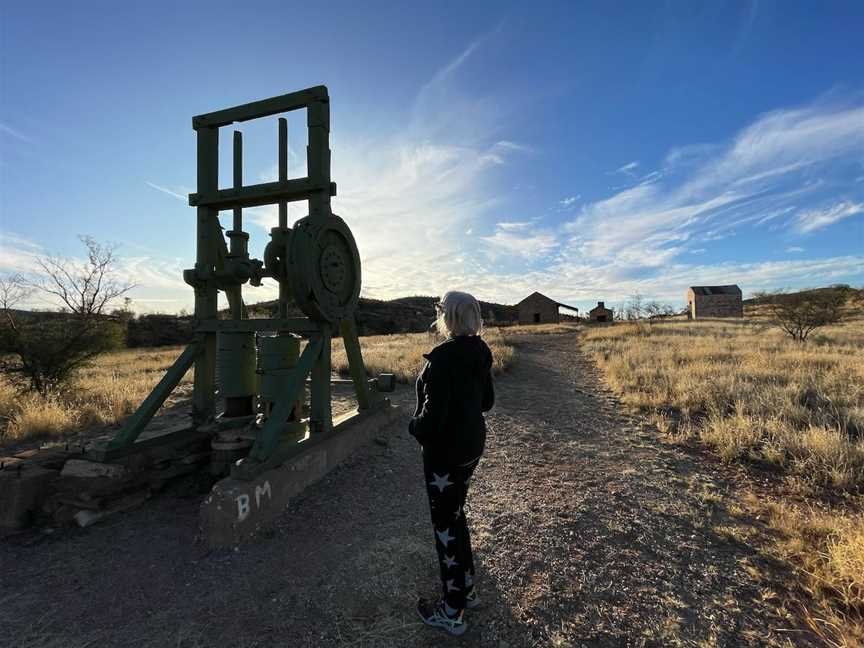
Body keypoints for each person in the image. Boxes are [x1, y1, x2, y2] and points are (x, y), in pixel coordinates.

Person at [409, 290, 495, 636]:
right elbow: (487, 402)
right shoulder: (481, 351)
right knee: (456, 515)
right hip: (471, 447)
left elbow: (431, 420)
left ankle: (452, 611)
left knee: (445, 526)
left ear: (449, 317)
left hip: (444, 454)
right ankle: (467, 588)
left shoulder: (441, 358)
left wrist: (413, 426)